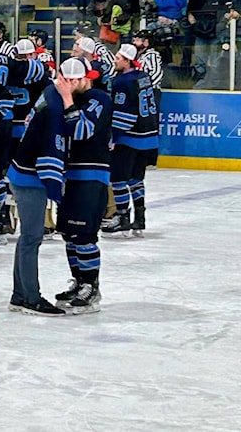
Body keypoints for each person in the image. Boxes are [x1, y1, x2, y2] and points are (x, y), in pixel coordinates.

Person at [5, 68, 70, 316]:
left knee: (27, 239)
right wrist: (56, 188)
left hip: (22, 173)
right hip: (29, 178)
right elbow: (49, 151)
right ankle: (30, 297)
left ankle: (20, 294)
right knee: (31, 238)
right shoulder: (54, 106)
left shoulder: (49, 93)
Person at [52, 58, 111, 314]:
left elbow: (81, 130)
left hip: (92, 174)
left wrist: (66, 99)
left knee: (85, 234)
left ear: (78, 81)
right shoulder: (73, 98)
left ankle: (90, 285)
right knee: (69, 233)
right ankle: (78, 281)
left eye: (67, 82)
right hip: (71, 174)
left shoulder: (99, 98)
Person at [103, 44, 159, 237]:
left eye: (118, 57)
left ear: (127, 61)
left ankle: (123, 218)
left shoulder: (122, 81)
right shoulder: (144, 77)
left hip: (129, 138)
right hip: (148, 137)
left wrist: (114, 137)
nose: (115, 60)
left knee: (117, 179)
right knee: (136, 179)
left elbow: (123, 114)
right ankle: (140, 219)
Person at [187, 0, 229, 88]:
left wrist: (220, 26)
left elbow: (226, 12)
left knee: (215, 63)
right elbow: (190, 12)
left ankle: (215, 86)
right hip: (200, 32)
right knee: (200, 61)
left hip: (216, 32)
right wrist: (192, 21)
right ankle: (200, 85)